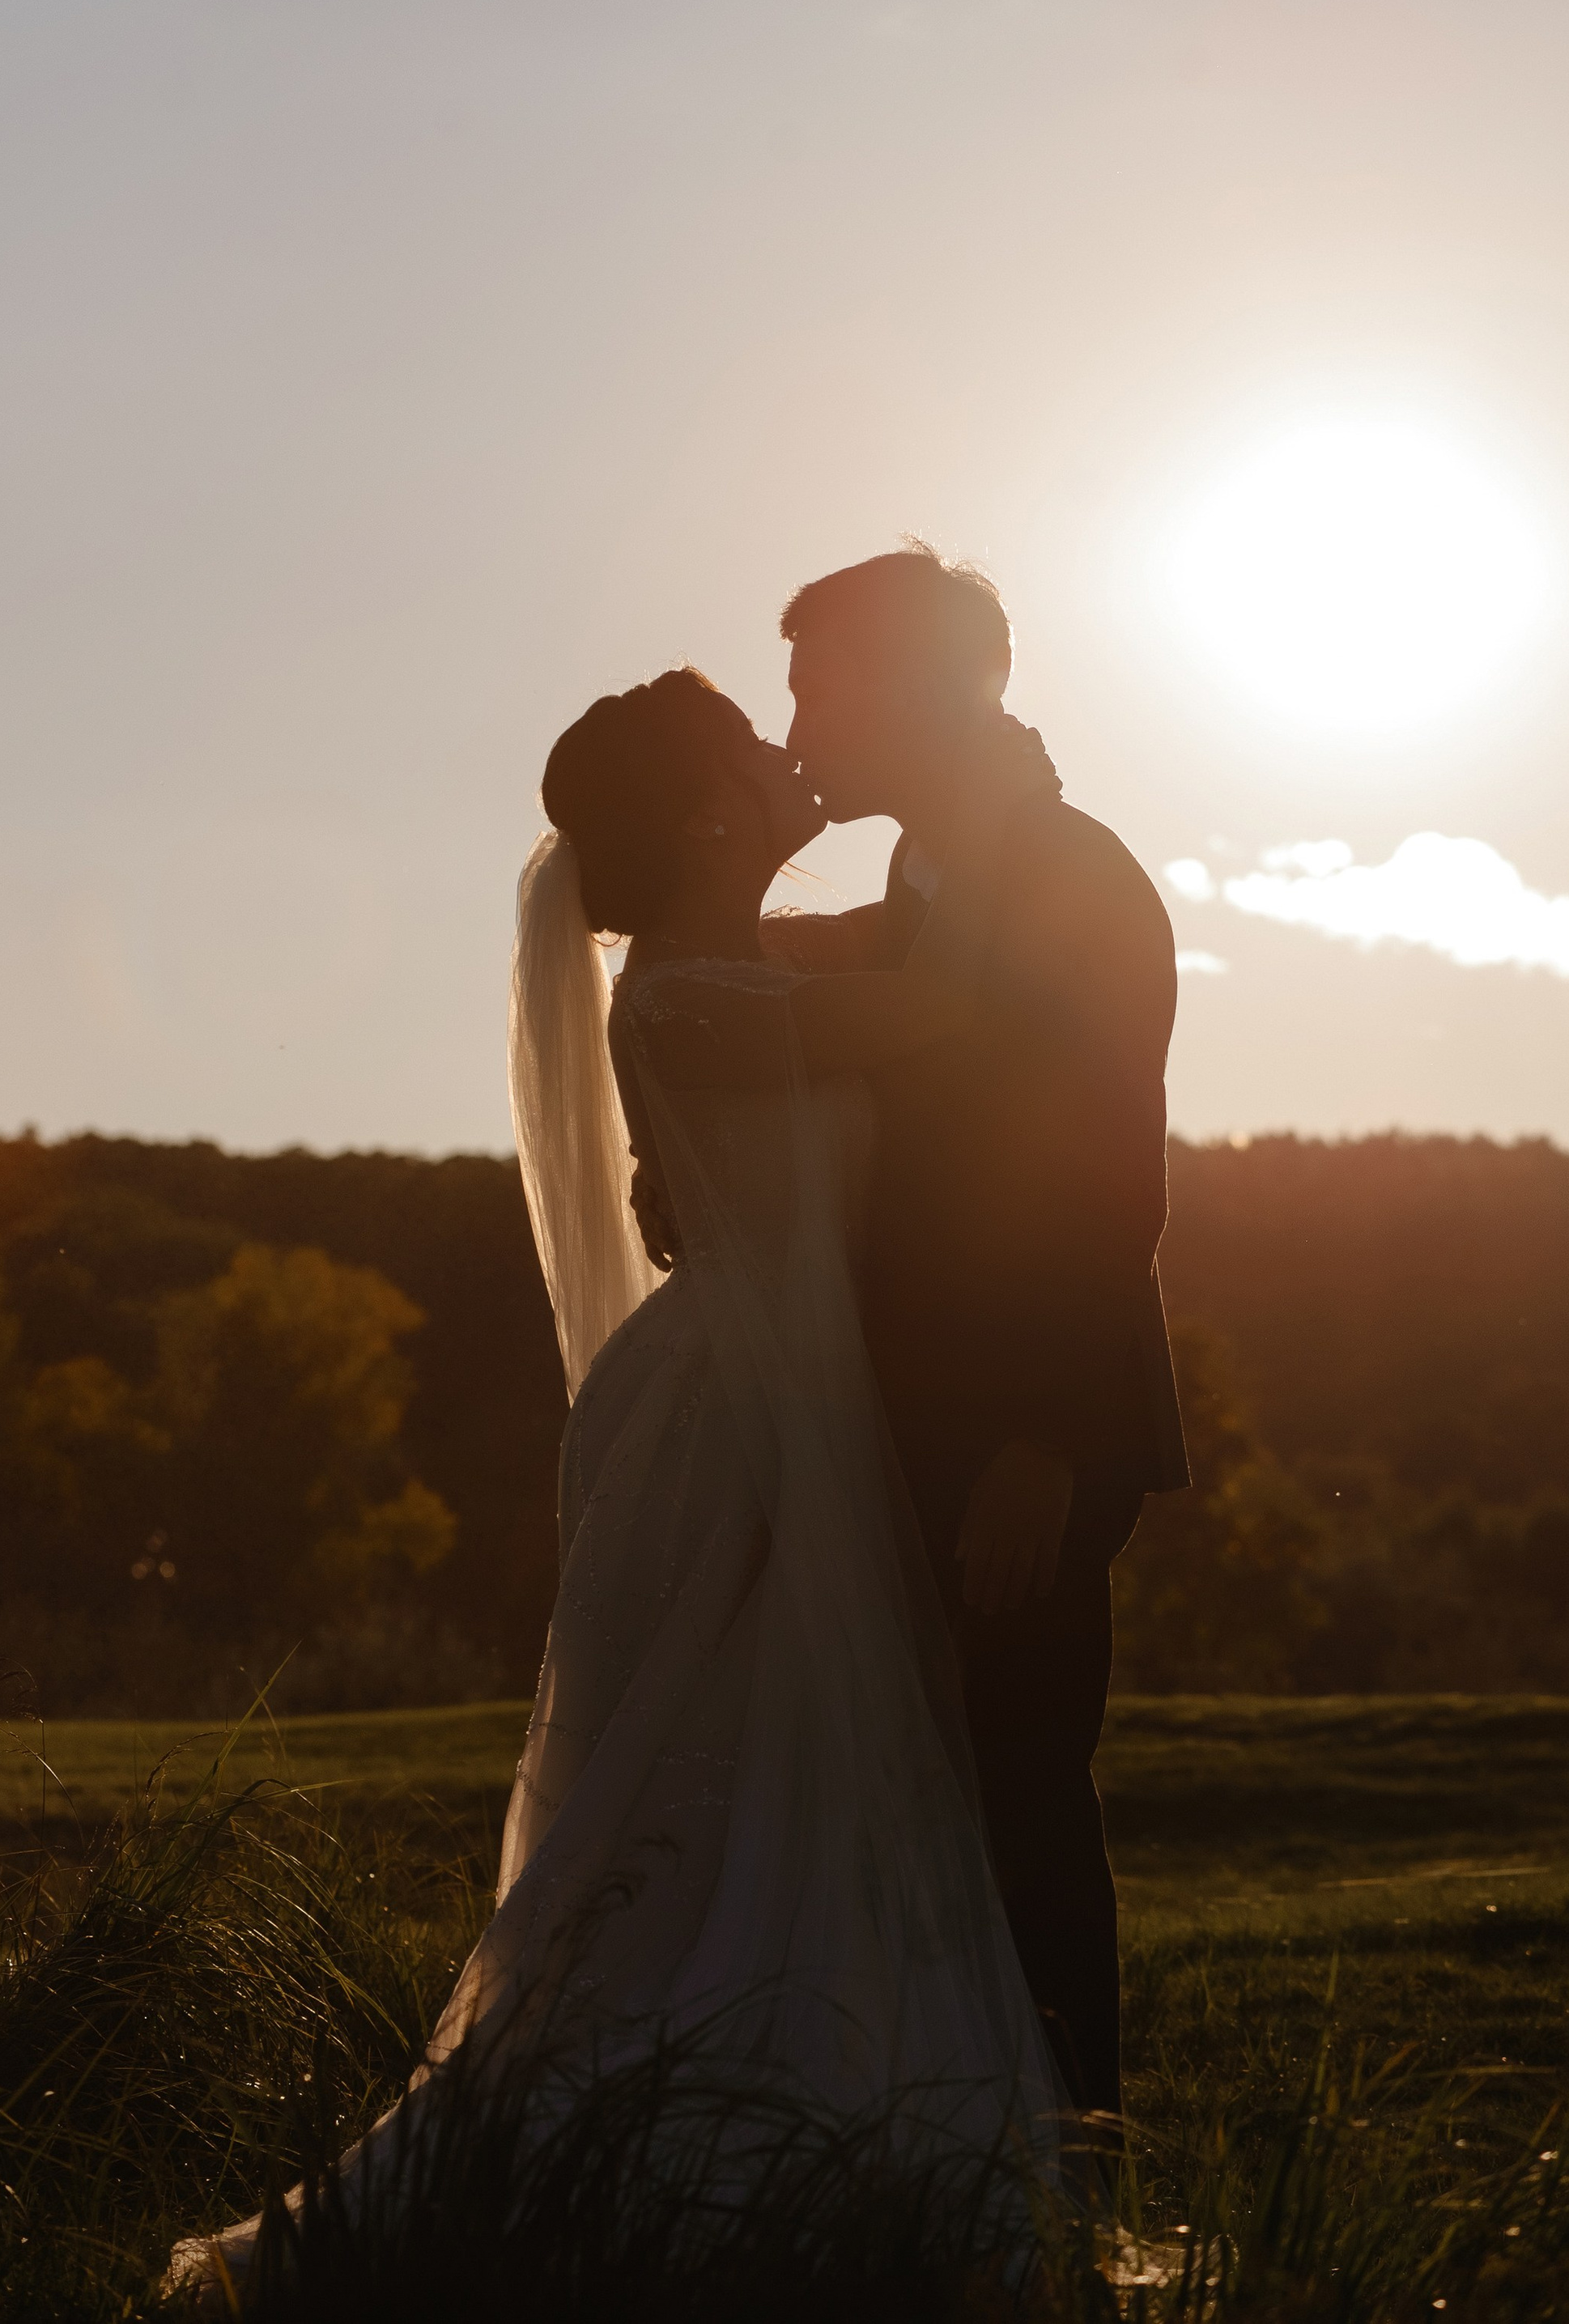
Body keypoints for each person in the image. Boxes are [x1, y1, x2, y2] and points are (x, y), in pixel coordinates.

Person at [172, 666, 1069, 2308]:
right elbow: (950, 1001)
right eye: (750, 744)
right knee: (714, 1778)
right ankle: (665, 2155)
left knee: (792, 1778)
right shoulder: (679, 1000)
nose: (783, 752)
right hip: (734, 1424)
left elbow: (881, 983)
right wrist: (998, 812)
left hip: (789, 1400)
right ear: (707, 810)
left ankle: (811, 2123)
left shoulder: (733, 968)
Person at [723, 546, 1188, 2120]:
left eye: (813, 686)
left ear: (919, 687)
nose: (795, 726)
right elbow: (862, 1006)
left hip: (1022, 1429)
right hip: (919, 1409)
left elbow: (1099, 1174)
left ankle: (1073, 2169)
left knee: (1014, 1803)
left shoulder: (1064, 877)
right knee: (920, 1799)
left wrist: (1047, 1446)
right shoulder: (932, 881)